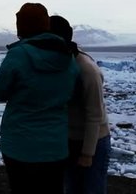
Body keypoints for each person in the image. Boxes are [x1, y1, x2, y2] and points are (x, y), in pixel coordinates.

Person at [0, 3, 79, 194]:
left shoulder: (18, 54)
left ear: (21, 26)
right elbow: (71, 91)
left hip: (20, 145)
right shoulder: (68, 56)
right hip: (55, 146)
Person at [49, 15, 111, 194]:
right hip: (70, 140)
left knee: (92, 189)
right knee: (72, 189)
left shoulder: (86, 70)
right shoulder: (60, 65)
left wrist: (87, 154)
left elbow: (95, 114)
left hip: (93, 142)